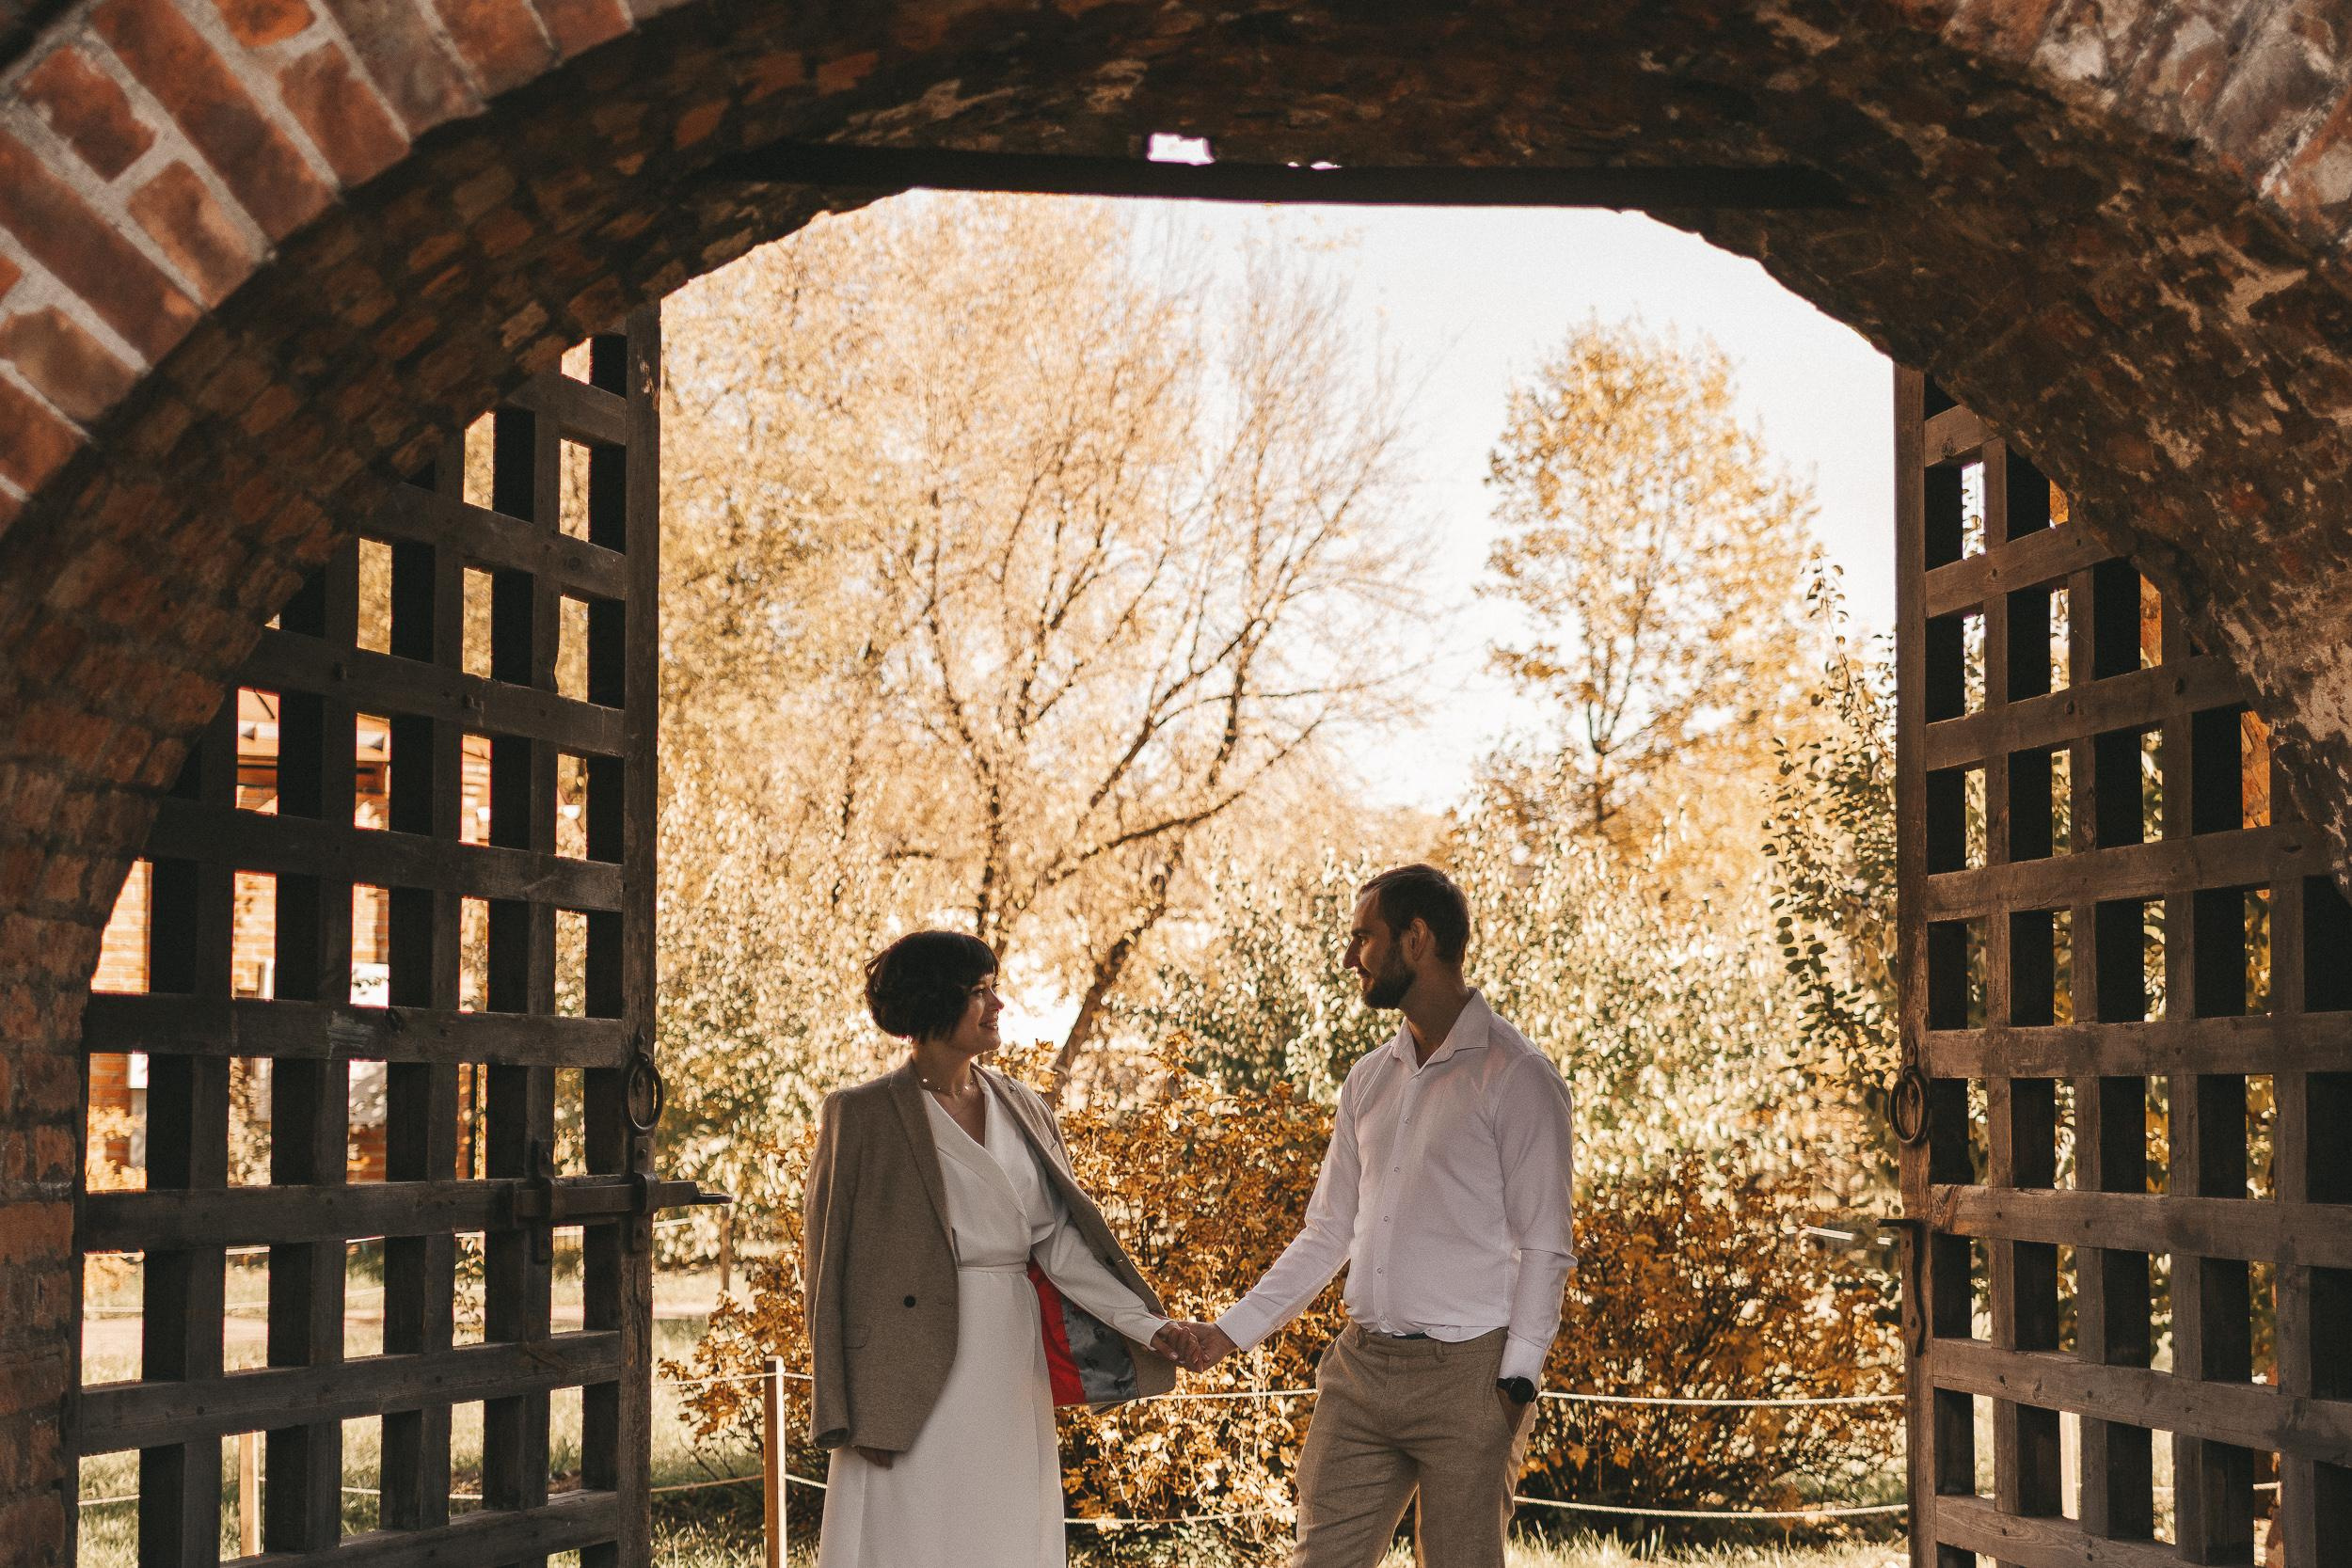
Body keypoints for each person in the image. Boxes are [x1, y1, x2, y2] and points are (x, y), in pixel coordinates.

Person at [1174, 863, 1576, 1568]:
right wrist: (1228, 1333)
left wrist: (1515, 1385)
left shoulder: (1518, 1075)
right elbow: (1329, 1228)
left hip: (1471, 1374)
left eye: (1363, 937)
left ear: (1416, 938)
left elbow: (1546, 1243)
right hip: (1360, 1371)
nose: (1348, 957)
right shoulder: (1368, 1077)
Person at [803, 929, 1199, 1568]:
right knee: (909, 1531)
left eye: (995, 987)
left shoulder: (1024, 1105)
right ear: (936, 1001)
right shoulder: (861, 1114)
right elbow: (826, 1271)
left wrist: (1150, 1327)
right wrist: (846, 1410)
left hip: (1008, 1354)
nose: (999, 1004)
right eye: (980, 991)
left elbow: (1059, 1245)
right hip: (902, 1374)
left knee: (1003, 1527)